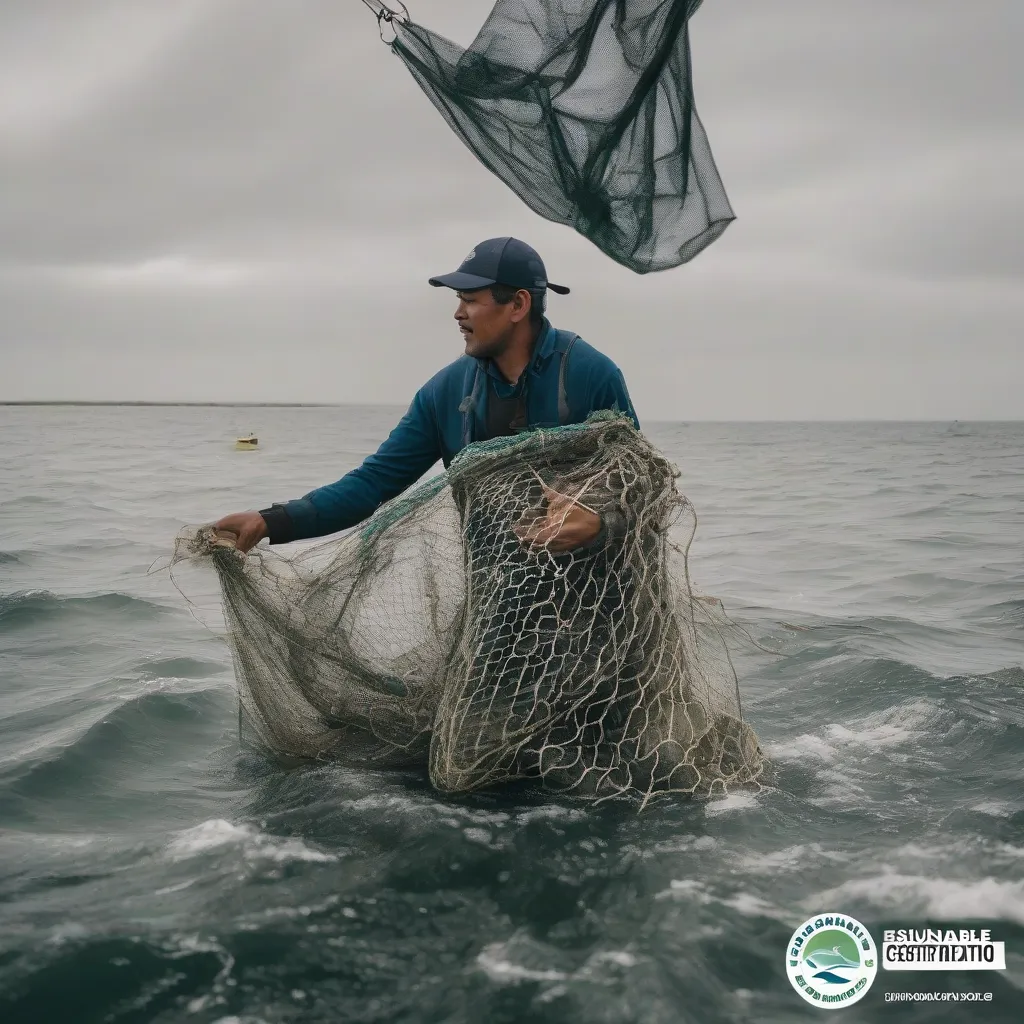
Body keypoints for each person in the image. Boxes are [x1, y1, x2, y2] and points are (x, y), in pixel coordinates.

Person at [213, 236, 639, 553]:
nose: (457, 313)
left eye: (470, 300)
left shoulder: (589, 374)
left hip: (601, 611)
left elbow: (641, 492)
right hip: (497, 610)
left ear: (518, 305)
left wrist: (599, 523)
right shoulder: (446, 391)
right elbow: (373, 483)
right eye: (458, 299)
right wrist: (272, 521)